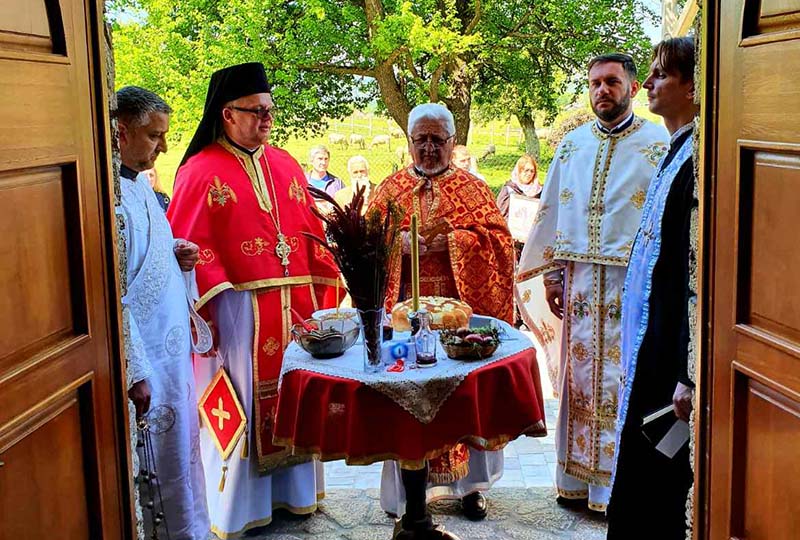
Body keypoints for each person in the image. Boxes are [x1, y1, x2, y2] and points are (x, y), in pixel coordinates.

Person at [167, 62, 341, 538]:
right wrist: (216, 295)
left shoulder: (285, 163)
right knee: (243, 397)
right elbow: (187, 242)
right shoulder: (199, 171)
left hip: (294, 306)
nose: (266, 119)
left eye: (269, 110)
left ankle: (295, 495)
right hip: (237, 310)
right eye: (256, 111)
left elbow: (309, 232)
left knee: (294, 392)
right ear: (227, 114)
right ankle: (237, 508)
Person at [515, 53, 669, 513]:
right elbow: (553, 215)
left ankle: (616, 489)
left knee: (624, 380)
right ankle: (577, 483)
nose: (602, 90)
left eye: (612, 82)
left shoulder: (657, 144)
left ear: (633, 88)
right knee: (579, 381)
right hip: (580, 284)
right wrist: (552, 274)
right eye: (595, 83)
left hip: (631, 285)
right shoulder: (572, 145)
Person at [370, 103, 515, 531]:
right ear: (409, 142)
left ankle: (472, 489)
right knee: (409, 399)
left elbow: (499, 245)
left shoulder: (473, 188)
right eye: (422, 139)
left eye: (438, 139)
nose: (430, 148)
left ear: (453, 142)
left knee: (462, 398)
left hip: (459, 318)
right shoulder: (390, 189)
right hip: (405, 318)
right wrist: (396, 247)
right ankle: (409, 497)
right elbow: (366, 243)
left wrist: (453, 244)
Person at [607, 37, 698, 538]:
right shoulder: (677, 150)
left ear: (693, 86)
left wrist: (688, 371)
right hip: (651, 338)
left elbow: (693, 273)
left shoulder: (697, 162)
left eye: (662, 74)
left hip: (668, 350)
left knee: (657, 474)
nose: (649, 83)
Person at [114, 85, 209, 540]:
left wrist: (178, 254)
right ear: (121, 132)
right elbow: (111, 290)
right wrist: (134, 369)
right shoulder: (107, 196)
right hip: (146, 357)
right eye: (154, 135)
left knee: (180, 452)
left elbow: (144, 256)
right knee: (151, 463)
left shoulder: (140, 187)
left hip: (170, 355)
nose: (164, 147)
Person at [496, 155, 542, 220]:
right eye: (526, 170)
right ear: (519, 171)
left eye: (532, 171)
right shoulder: (509, 190)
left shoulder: (538, 191)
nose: (529, 174)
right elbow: (501, 215)